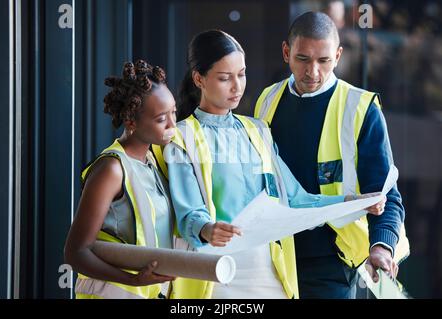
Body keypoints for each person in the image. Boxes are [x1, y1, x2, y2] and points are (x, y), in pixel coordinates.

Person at [155, 29, 385, 299]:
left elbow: (297, 199)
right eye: (224, 78)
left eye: (241, 74)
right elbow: (188, 213)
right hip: (216, 272)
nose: (237, 86)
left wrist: (355, 202)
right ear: (199, 79)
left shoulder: (258, 131)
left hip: (268, 269)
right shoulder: (180, 137)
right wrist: (206, 229)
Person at [254, 12, 410, 299]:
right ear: (286, 52)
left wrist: (381, 246)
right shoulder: (267, 100)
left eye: (323, 61)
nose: (313, 71)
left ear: (337, 56)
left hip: (332, 267)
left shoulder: (361, 108)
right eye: (303, 59)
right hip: (273, 259)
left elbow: (386, 196)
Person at [64, 59, 177, 299]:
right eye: (161, 119)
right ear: (131, 122)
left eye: (173, 112)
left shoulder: (152, 161)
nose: (172, 125)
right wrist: (134, 280)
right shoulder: (112, 169)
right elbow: (75, 252)